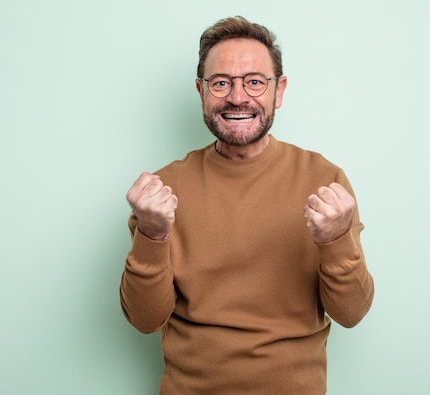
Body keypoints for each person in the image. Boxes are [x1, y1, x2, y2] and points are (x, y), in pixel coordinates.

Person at [120, 16, 374, 395]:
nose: (237, 97)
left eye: (254, 82)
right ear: (201, 91)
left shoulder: (324, 179)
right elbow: (144, 320)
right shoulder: (162, 191)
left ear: (279, 91)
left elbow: (351, 314)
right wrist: (152, 234)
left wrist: (335, 239)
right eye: (221, 83)